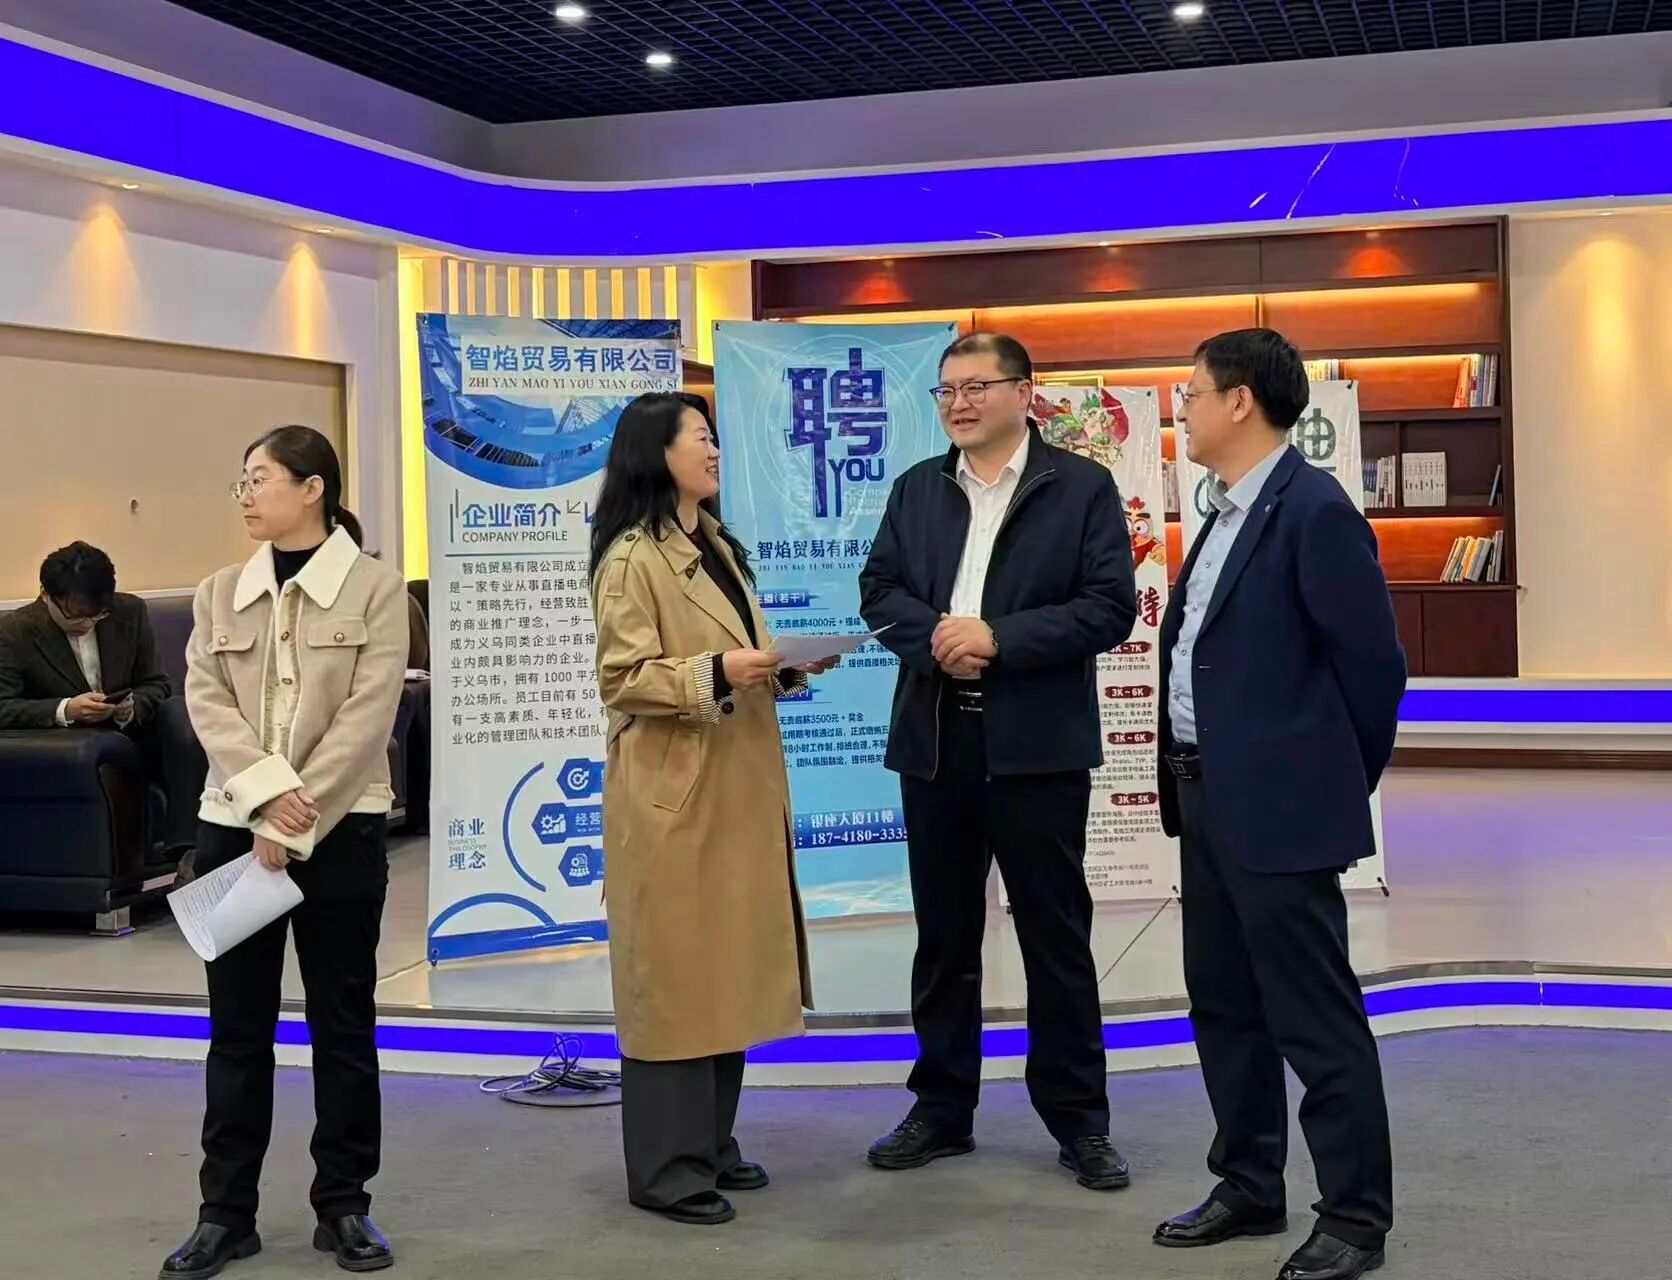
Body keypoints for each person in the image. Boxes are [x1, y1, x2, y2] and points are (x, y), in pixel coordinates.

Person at [1153, 329, 1406, 1280]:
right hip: (1204, 796)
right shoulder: (1224, 511)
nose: (1181, 411)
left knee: (1313, 1015)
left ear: (1240, 401)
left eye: (1191, 394)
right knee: (1225, 1004)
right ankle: (1250, 1183)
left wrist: (1328, 782)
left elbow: (1374, 670)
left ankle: (1354, 1217)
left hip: (1280, 809)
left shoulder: (1313, 510)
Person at [858, 333, 1137, 1190]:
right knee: (944, 937)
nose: (959, 404)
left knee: (1056, 936)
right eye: (946, 391)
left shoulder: (1079, 487)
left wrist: (999, 639)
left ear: (1025, 392)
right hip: (937, 740)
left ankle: (1080, 1120)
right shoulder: (918, 488)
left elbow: (1109, 607)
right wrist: (940, 640)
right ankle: (941, 1108)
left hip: (1037, 747)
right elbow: (879, 590)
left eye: (977, 387)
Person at [162, 425, 407, 1279]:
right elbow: (207, 703)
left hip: (340, 829)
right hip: (235, 824)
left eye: (259, 478)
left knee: (343, 1023)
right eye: (241, 481)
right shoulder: (219, 593)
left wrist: (294, 820)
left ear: (313, 488)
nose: (245, 495)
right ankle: (225, 1214)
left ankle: (344, 1204)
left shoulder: (376, 589)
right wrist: (266, 798)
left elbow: (369, 716)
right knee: (236, 1029)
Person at [589, 391, 836, 1227]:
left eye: (714, 436)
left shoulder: (717, 543)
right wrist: (718, 673)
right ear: (656, 453)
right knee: (676, 981)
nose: (714, 449)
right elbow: (624, 679)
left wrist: (785, 665)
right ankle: (667, 1168)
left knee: (723, 967)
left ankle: (711, 1144)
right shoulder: (632, 557)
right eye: (699, 437)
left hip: (735, 785)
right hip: (675, 793)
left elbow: (736, 653)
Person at [0, 541, 199, 856]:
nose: (87, 625)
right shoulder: (13, 631)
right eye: (75, 617)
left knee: (180, 711)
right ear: (46, 595)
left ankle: (186, 847)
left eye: (96, 616)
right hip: (72, 742)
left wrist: (130, 707)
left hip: (135, 732)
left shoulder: (129, 611)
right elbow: (3, 706)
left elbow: (157, 683)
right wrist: (66, 709)